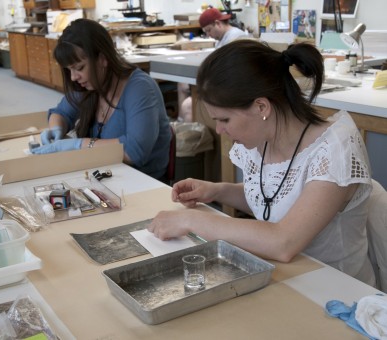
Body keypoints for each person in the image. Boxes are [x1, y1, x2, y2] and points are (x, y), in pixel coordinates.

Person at [149, 39, 376, 286]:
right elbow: (275, 197)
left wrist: (191, 220)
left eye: (224, 119)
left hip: (337, 291)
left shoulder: (335, 149)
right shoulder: (262, 140)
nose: (219, 129)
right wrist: (217, 191)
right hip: (284, 279)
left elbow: (284, 241)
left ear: (261, 107)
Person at [31, 19, 171, 181]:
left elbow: (134, 152)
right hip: (103, 175)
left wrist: (78, 145)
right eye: (69, 70)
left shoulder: (140, 88)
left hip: (142, 183)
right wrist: (56, 130)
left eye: (79, 68)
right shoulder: (89, 85)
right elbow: (60, 113)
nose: (73, 77)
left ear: (103, 59)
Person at [177, 8, 248, 122]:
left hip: (230, 85)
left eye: (209, 30)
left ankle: (187, 127)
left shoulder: (235, 37)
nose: (209, 35)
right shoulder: (222, 38)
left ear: (218, 23)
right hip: (222, 81)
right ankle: (182, 124)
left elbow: (226, 68)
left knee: (188, 104)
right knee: (182, 82)